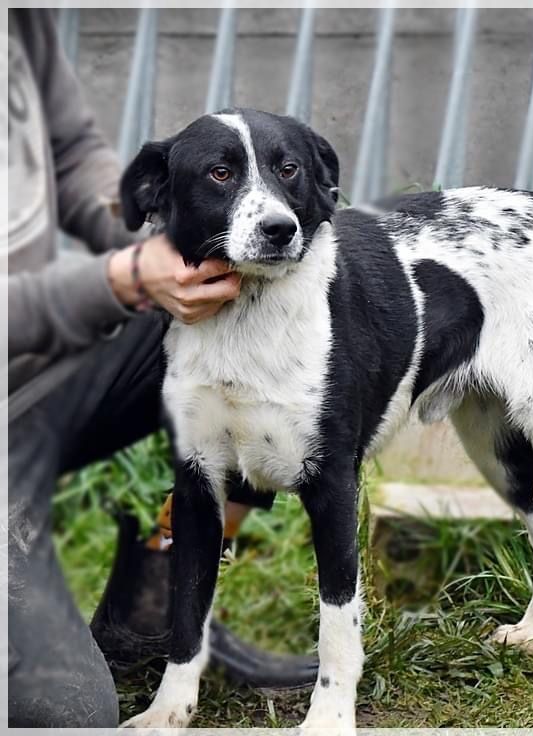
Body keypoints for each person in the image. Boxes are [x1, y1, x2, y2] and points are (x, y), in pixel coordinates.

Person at [6, 10, 317, 727]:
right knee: (71, 716)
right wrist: (121, 279)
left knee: (245, 311)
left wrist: (171, 219)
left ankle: (160, 600)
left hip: (35, 381)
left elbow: (74, 151)